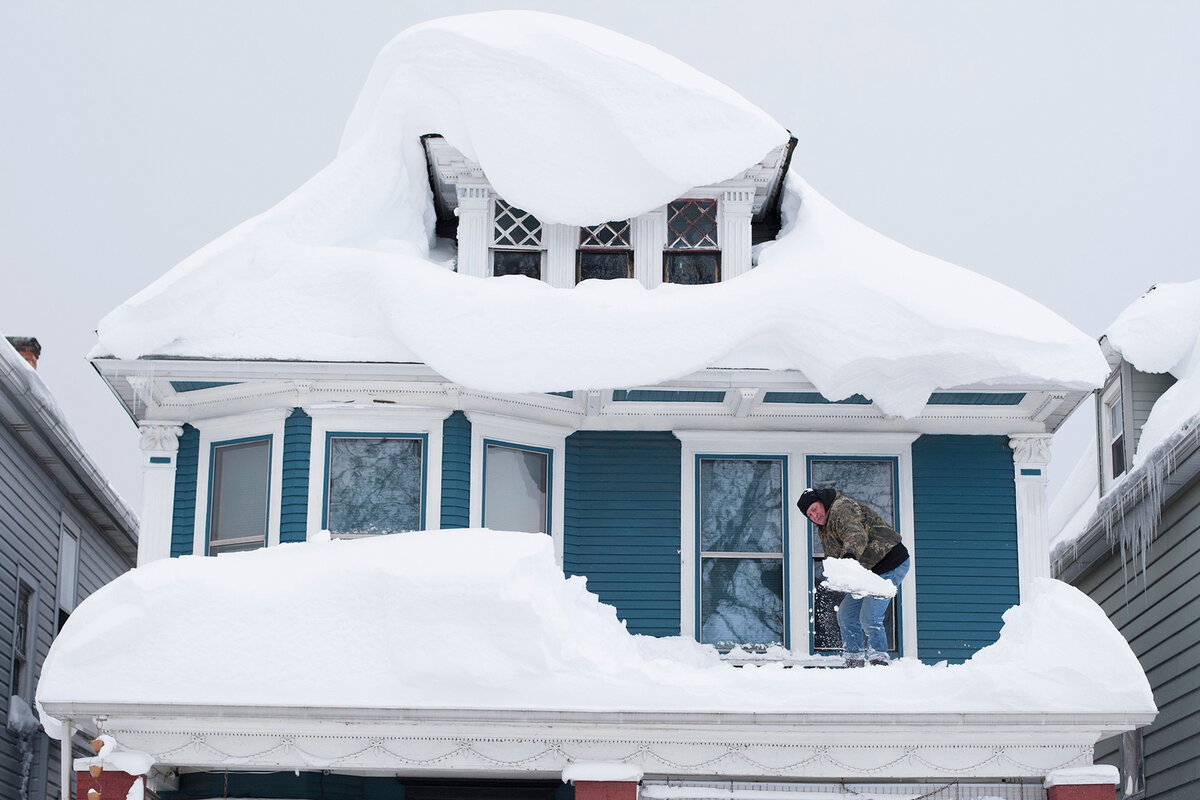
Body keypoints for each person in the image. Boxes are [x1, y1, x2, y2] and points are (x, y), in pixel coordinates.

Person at [796, 487, 910, 668]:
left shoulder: (841, 507)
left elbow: (855, 534)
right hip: (868, 571)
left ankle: (878, 661)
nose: (814, 515)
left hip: (891, 561)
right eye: (809, 514)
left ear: (822, 502)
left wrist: (849, 556)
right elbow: (833, 557)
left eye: (815, 508)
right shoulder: (824, 528)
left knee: (870, 617)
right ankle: (853, 660)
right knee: (846, 615)